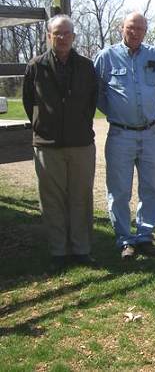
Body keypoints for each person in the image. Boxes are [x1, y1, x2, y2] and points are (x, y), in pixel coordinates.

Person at [22, 14, 97, 269]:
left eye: (67, 33)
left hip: (81, 143)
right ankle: (58, 251)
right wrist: (42, 126)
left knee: (81, 196)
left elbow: (92, 101)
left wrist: (79, 124)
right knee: (52, 199)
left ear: (74, 37)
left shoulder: (86, 66)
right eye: (57, 33)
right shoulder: (36, 65)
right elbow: (28, 101)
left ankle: (81, 249)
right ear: (49, 36)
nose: (63, 37)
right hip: (47, 143)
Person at [94, 12, 155, 259]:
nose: (135, 32)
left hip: (150, 132)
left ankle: (145, 236)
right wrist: (116, 111)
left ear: (146, 30)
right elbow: (98, 92)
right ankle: (125, 239)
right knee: (119, 190)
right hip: (120, 134)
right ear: (121, 28)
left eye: (140, 28)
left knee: (152, 188)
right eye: (130, 27)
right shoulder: (106, 57)